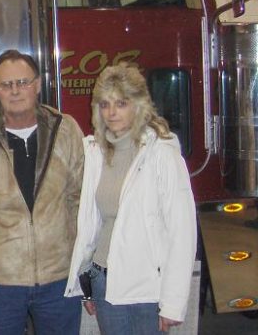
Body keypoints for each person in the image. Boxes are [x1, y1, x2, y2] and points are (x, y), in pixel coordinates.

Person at [0, 49, 84, 335]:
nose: (15, 91)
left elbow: (81, 200)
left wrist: (89, 267)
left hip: (60, 278)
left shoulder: (66, 130)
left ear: (38, 84)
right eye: (6, 85)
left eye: (22, 82)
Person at [65, 63, 196, 334]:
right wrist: (86, 284)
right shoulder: (95, 152)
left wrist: (172, 303)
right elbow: (92, 226)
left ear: (138, 106)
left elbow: (182, 232)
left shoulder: (162, 153)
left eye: (121, 103)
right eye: (104, 104)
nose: (111, 112)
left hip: (146, 288)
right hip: (104, 281)